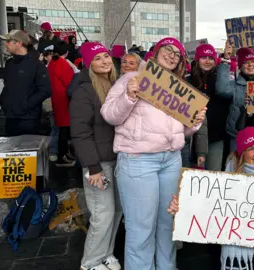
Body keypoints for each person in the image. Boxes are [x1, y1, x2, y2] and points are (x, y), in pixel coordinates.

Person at [100, 37, 206, 270]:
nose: (171, 55)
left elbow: (181, 130)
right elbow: (109, 115)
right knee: (141, 228)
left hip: (171, 161)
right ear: (155, 52)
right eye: (167, 50)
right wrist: (129, 96)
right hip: (139, 161)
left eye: (177, 54)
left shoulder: (180, 88)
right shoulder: (131, 78)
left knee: (168, 223)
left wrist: (195, 122)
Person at [168, 127, 254, 270]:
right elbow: (205, 210)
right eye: (251, 149)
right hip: (233, 254)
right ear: (242, 153)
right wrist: (181, 209)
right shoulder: (224, 183)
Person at [70, 42, 122, 270]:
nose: (104, 61)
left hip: (118, 159)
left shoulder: (115, 85)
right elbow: (80, 132)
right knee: (103, 214)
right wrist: (93, 167)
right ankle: (90, 262)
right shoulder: (84, 90)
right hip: (98, 164)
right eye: (98, 58)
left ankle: (106, 255)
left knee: (117, 212)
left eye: (106, 56)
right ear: (89, 63)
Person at [216, 43, 254, 151]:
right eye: (246, 63)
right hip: (238, 135)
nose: (250, 65)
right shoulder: (235, 85)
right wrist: (226, 59)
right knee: (236, 166)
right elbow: (221, 90)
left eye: (252, 61)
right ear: (240, 66)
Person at [0, 30, 51, 136]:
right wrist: (3, 100)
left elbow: (46, 90)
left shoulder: (37, 65)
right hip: (10, 117)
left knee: (27, 151)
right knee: (11, 150)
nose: (5, 43)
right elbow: (8, 86)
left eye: (8, 41)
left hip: (29, 119)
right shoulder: (10, 64)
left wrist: (26, 105)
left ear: (19, 43)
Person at [188, 43, 231, 171]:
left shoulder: (221, 80)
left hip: (217, 136)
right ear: (197, 59)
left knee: (214, 174)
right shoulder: (188, 81)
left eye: (211, 58)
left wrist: (226, 57)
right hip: (194, 137)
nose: (207, 61)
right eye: (204, 57)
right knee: (194, 177)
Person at [47, 42, 76, 167]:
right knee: (63, 129)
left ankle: (61, 153)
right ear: (67, 52)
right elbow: (70, 83)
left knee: (59, 128)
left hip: (54, 99)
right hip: (63, 100)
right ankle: (62, 155)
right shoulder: (63, 63)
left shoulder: (52, 62)